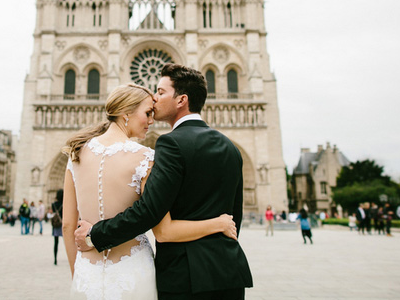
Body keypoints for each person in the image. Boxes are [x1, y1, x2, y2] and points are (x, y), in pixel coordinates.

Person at [73, 65, 252, 299]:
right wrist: (217, 226)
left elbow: (149, 210)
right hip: (229, 272)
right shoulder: (230, 147)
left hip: (185, 277)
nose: (155, 98)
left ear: (182, 100)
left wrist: (95, 234)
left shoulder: (171, 144)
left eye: (160, 91)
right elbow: (233, 217)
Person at [51, 189, 64, 265]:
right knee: (67, 242)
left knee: (56, 243)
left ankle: (55, 259)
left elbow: (53, 212)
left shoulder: (53, 204)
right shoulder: (64, 203)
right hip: (63, 223)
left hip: (56, 225)